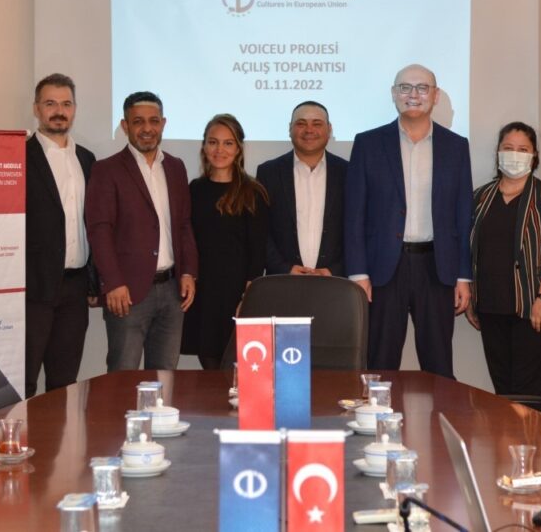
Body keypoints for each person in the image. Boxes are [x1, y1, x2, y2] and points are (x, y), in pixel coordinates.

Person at [345, 64, 473, 378]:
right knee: (380, 360)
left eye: (422, 88)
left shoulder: (456, 147)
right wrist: (358, 273)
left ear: (435, 95)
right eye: (405, 87)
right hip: (384, 270)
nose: (413, 94)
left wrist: (463, 276)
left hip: (437, 267)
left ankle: (442, 412)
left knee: (439, 364)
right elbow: (354, 214)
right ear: (394, 94)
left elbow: (462, 216)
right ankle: (375, 411)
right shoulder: (368, 144)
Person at [85, 91, 197, 371]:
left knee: (165, 377)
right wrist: (112, 282)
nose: (147, 128)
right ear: (125, 126)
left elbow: (183, 224)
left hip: (172, 291)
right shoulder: (106, 170)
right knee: (122, 377)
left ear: (163, 123)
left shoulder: (176, 167)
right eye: (138, 122)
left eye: (153, 121)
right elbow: (99, 231)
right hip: (127, 293)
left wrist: (188, 272)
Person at [467, 122, 541, 396]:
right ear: (498, 152)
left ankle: (528, 429)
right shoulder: (481, 196)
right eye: (508, 147)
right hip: (491, 305)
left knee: (527, 391)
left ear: (534, 156)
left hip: (533, 305)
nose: (515, 154)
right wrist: (473, 296)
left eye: (523, 149)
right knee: (502, 389)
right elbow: (471, 249)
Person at [25, 73, 96, 398]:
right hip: (33, 288)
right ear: (36, 109)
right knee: (24, 378)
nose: (59, 111)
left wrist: (94, 282)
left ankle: (58, 434)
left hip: (75, 289)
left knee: (64, 383)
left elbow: (94, 224)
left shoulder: (87, 159)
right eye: (50, 103)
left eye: (66, 104)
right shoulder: (19, 157)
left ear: (75, 109)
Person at [182, 114, 269, 369]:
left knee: (238, 366)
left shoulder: (253, 193)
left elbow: (258, 253)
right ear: (204, 146)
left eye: (228, 143)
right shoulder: (194, 189)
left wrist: (248, 299)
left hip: (236, 294)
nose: (219, 150)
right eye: (213, 142)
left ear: (239, 148)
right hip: (202, 293)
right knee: (208, 362)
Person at [256, 101, 347, 277]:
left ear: (329, 129)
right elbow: (260, 231)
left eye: (317, 124)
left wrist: (334, 270)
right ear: (290, 129)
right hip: (282, 281)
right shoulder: (268, 173)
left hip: (335, 282)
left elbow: (358, 231)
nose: (309, 130)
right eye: (301, 123)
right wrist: (285, 269)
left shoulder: (348, 173)